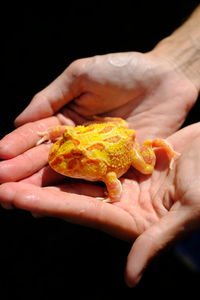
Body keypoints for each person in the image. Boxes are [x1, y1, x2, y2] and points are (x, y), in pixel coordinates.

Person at [0, 4, 200, 288]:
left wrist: (112, 198)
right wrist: (51, 135)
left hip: (121, 142)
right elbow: (66, 131)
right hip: (103, 129)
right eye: (65, 148)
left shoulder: (100, 166)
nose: (62, 156)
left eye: (74, 157)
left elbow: (113, 184)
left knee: (143, 167)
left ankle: (158, 144)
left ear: (85, 160)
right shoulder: (70, 143)